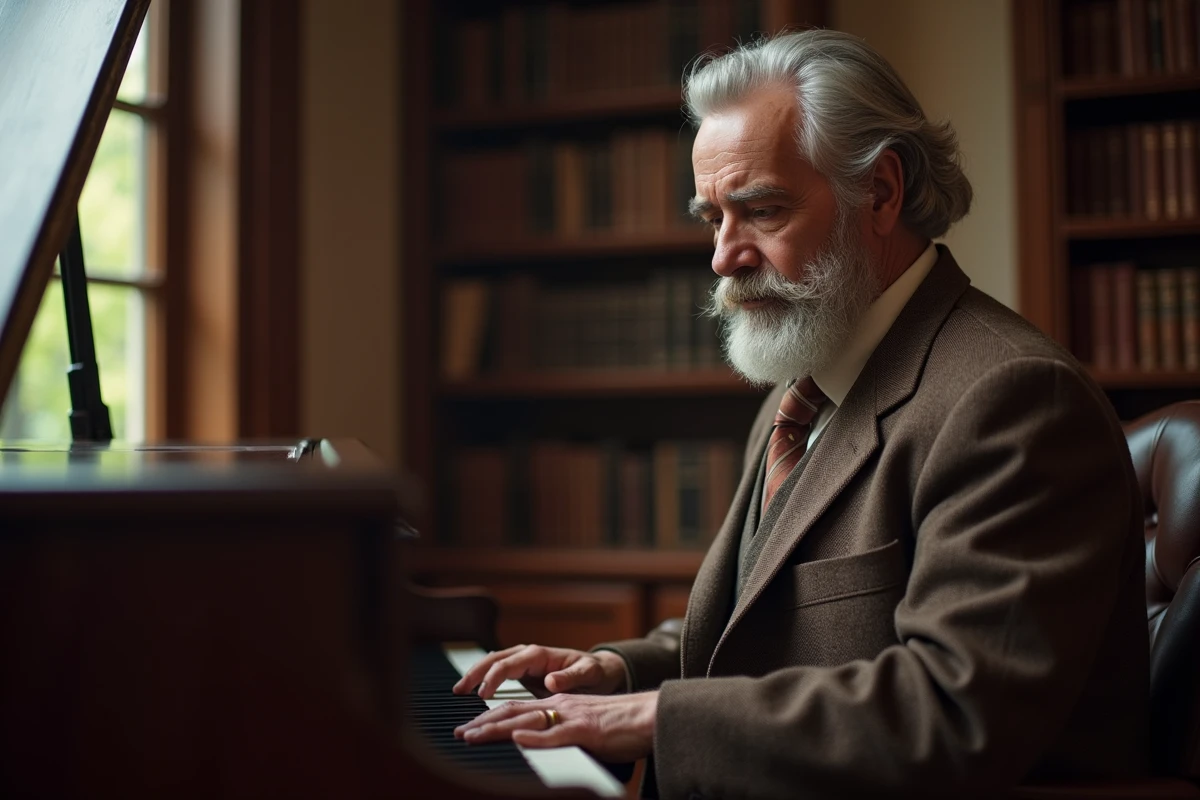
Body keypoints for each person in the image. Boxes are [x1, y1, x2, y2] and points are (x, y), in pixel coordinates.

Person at [453, 29, 1149, 798]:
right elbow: (772, 633)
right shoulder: (806, 386)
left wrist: (657, 719)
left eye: (761, 211)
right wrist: (619, 671)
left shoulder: (1015, 400)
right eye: (711, 217)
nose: (724, 255)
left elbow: (953, 711)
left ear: (880, 192)